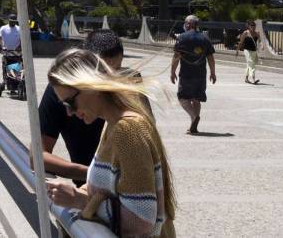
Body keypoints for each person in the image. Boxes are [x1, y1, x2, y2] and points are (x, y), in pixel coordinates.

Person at [45, 49, 176, 237]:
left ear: (92, 86)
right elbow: (108, 188)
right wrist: (77, 193)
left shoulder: (128, 130)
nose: (69, 112)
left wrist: (80, 201)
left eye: (70, 103)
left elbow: (141, 220)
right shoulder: (112, 125)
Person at [39, 29, 129, 182]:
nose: (108, 81)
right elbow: (38, 154)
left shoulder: (129, 92)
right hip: (88, 189)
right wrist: (93, 176)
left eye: (116, 70)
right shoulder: (62, 91)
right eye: (102, 73)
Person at [169, 15, 215, 134]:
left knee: (183, 98)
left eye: (185, 23)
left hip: (186, 74)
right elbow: (210, 58)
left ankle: (193, 117)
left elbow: (176, 56)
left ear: (189, 24)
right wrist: (213, 73)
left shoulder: (182, 38)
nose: (185, 25)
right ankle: (193, 123)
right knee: (196, 99)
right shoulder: (205, 38)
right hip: (200, 74)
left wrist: (172, 72)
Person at [236, 20, 260, 85]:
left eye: (254, 26)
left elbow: (259, 41)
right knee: (251, 62)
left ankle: (246, 78)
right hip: (247, 50)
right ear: (249, 26)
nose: (253, 27)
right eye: (252, 26)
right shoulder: (245, 33)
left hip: (254, 51)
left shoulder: (257, 33)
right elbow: (241, 42)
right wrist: (237, 50)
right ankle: (253, 78)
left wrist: (262, 45)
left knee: (249, 64)